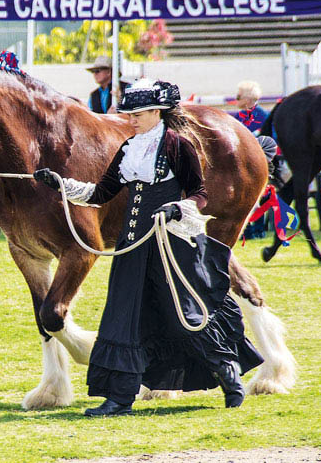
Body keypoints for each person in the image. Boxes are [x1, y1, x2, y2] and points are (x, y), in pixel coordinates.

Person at [35, 79, 263, 417]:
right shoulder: (129, 148)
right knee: (123, 317)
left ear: (156, 112)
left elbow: (198, 194)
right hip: (132, 245)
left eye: (138, 114)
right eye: (130, 114)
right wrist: (61, 185)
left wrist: (177, 208)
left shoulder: (177, 146)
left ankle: (227, 372)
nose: (132, 119)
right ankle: (120, 397)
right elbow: (101, 193)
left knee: (183, 317)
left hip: (169, 244)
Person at [234, 81, 272, 238]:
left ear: (248, 99)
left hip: (261, 163)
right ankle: (247, 228)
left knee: (259, 193)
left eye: (238, 96)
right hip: (240, 163)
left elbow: (270, 142)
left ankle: (258, 227)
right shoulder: (238, 117)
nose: (236, 100)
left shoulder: (264, 117)